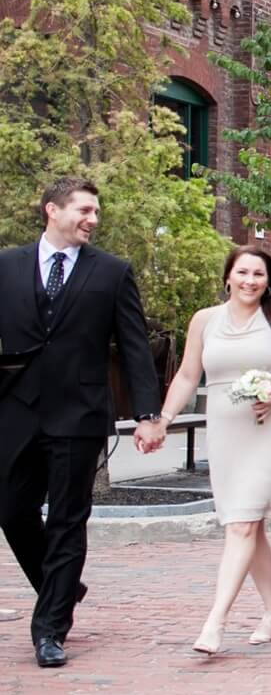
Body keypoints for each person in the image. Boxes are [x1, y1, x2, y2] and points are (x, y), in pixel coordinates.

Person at [0, 178, 166, 667]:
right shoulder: (6, 266)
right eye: (85, 210)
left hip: (79, 413)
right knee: (11, 510)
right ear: (53, 210)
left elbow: (134, 346)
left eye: (96, 212)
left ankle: (50, 629)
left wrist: (148, 414)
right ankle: (65, 587)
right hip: (16, 409)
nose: (94, 219)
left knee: (70, 520)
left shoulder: (112, 272)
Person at [157, 247, 271, 655]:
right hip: (224, 432)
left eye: (258, 274)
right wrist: (165, 417)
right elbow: (189, 375)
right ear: (228, 276)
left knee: (241, 524)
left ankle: (215, 622)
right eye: (242, 272)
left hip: (269, 429)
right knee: (248, 524)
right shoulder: (205, 321)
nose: (250, 280)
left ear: (269, 280)